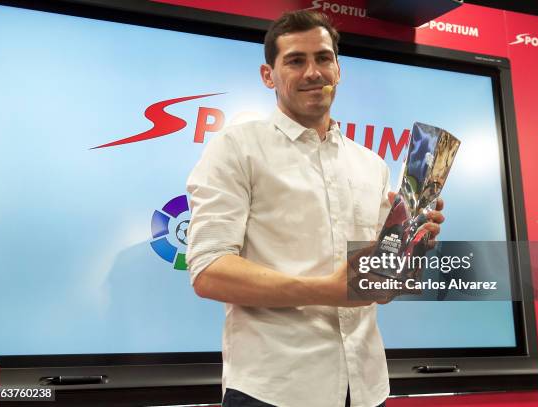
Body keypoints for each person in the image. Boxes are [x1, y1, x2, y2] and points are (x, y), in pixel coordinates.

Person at [186, 10, 444, 407]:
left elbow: (380, 286)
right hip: (274, 390)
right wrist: (326, 290)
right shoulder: (237, 148)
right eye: (295, 60)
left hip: (365, 388)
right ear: (268, 75)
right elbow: (208, 271)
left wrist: (412, 250)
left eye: (324, 58)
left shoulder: (371, 164)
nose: (313, 72)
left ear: (339, 69)